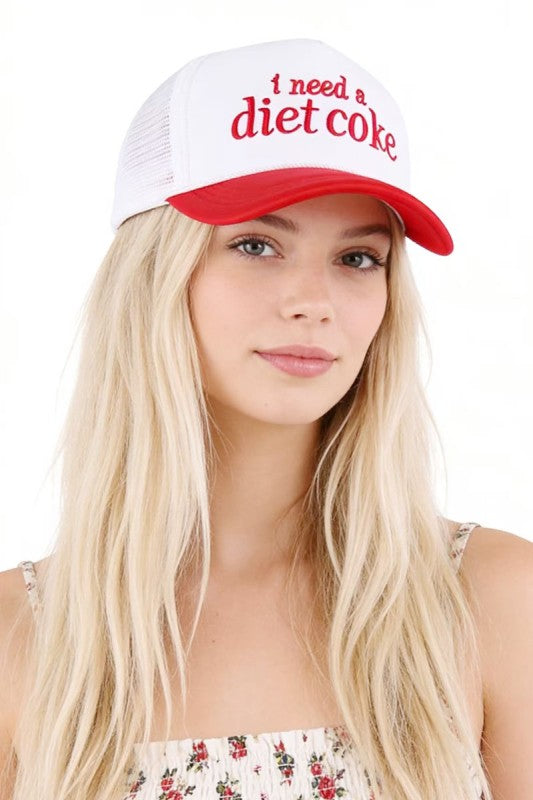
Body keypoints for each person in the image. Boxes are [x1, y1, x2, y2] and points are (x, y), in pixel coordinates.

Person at [1, 37, 532, 800]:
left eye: (358, 258)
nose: (313, 301)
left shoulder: (495, 601)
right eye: (256, 244)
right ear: (154, 275)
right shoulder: (23, 640)